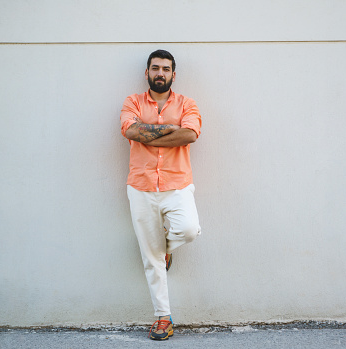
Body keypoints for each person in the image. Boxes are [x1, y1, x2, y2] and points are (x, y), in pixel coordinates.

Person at [119, 49, 202, 340]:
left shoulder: (187, 104)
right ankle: (163, 317)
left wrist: (150, 132)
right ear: (147, 72)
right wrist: (170, 129)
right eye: (155, 68)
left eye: (166, 69)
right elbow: (130, 131)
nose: (160, 73)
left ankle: (167, 248)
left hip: (176, 184)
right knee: (149, 257)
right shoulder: (132, 102)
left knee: (189, 230)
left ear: (173, 75)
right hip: (140, 186)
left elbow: (190, 134)